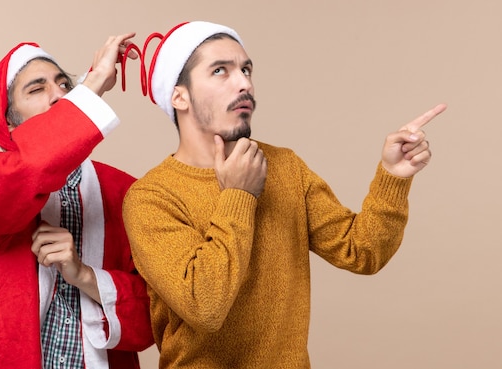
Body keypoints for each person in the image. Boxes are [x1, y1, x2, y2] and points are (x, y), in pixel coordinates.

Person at [121, 21, 447, 368]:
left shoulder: (284, 166)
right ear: (179, 95)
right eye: (220, 71)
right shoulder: (150, 198)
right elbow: (204, 305)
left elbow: (362, 251)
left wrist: (393, 177)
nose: (244, 83)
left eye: (246, 70)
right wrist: (239, 195)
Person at [0, 34, 154, 369]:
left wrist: (86, 276)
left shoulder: (125, 190)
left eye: (65, 84)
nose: (59, 96)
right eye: (36, 89)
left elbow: (153, 316)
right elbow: (30, 165)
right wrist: (90, 86)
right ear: (7, 120)